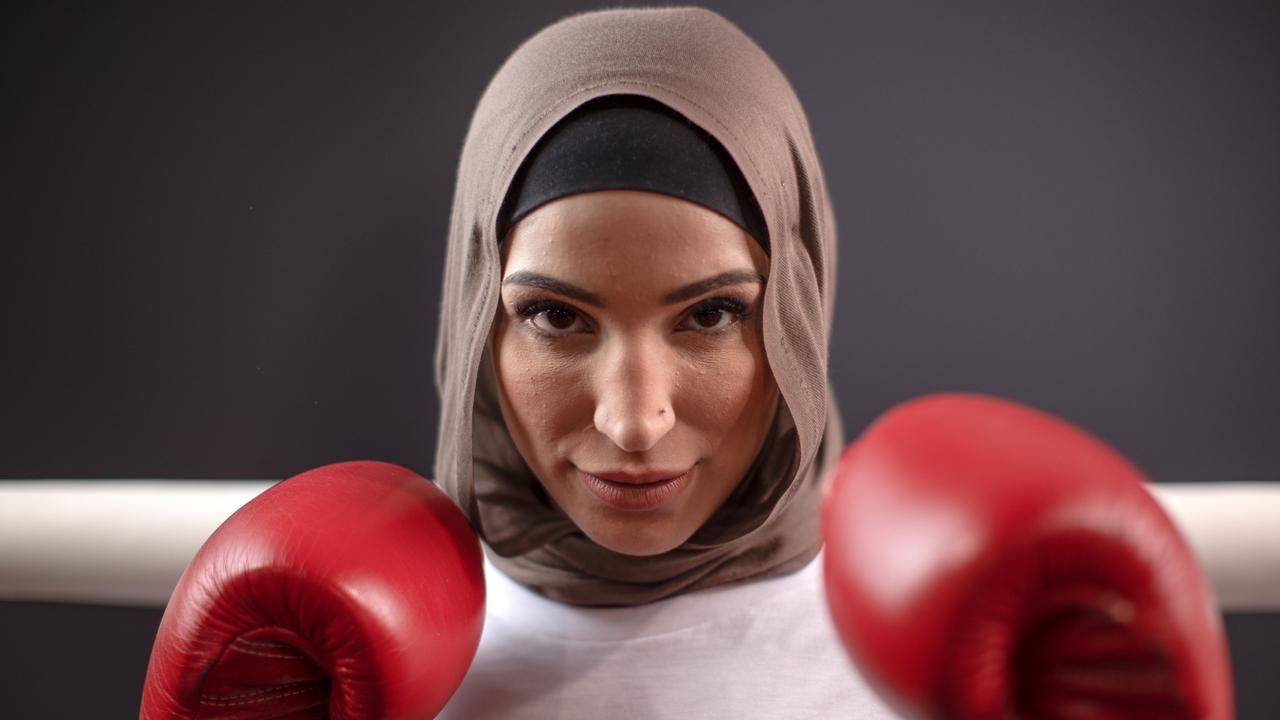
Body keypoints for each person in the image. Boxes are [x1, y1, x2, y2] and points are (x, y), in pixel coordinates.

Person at [431, 6, 898, 717]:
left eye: (710, 315)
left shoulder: (923, 654)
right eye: (556, 317)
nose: (633, 426)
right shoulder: (362, 655)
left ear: (796, 315)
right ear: (476, 323)